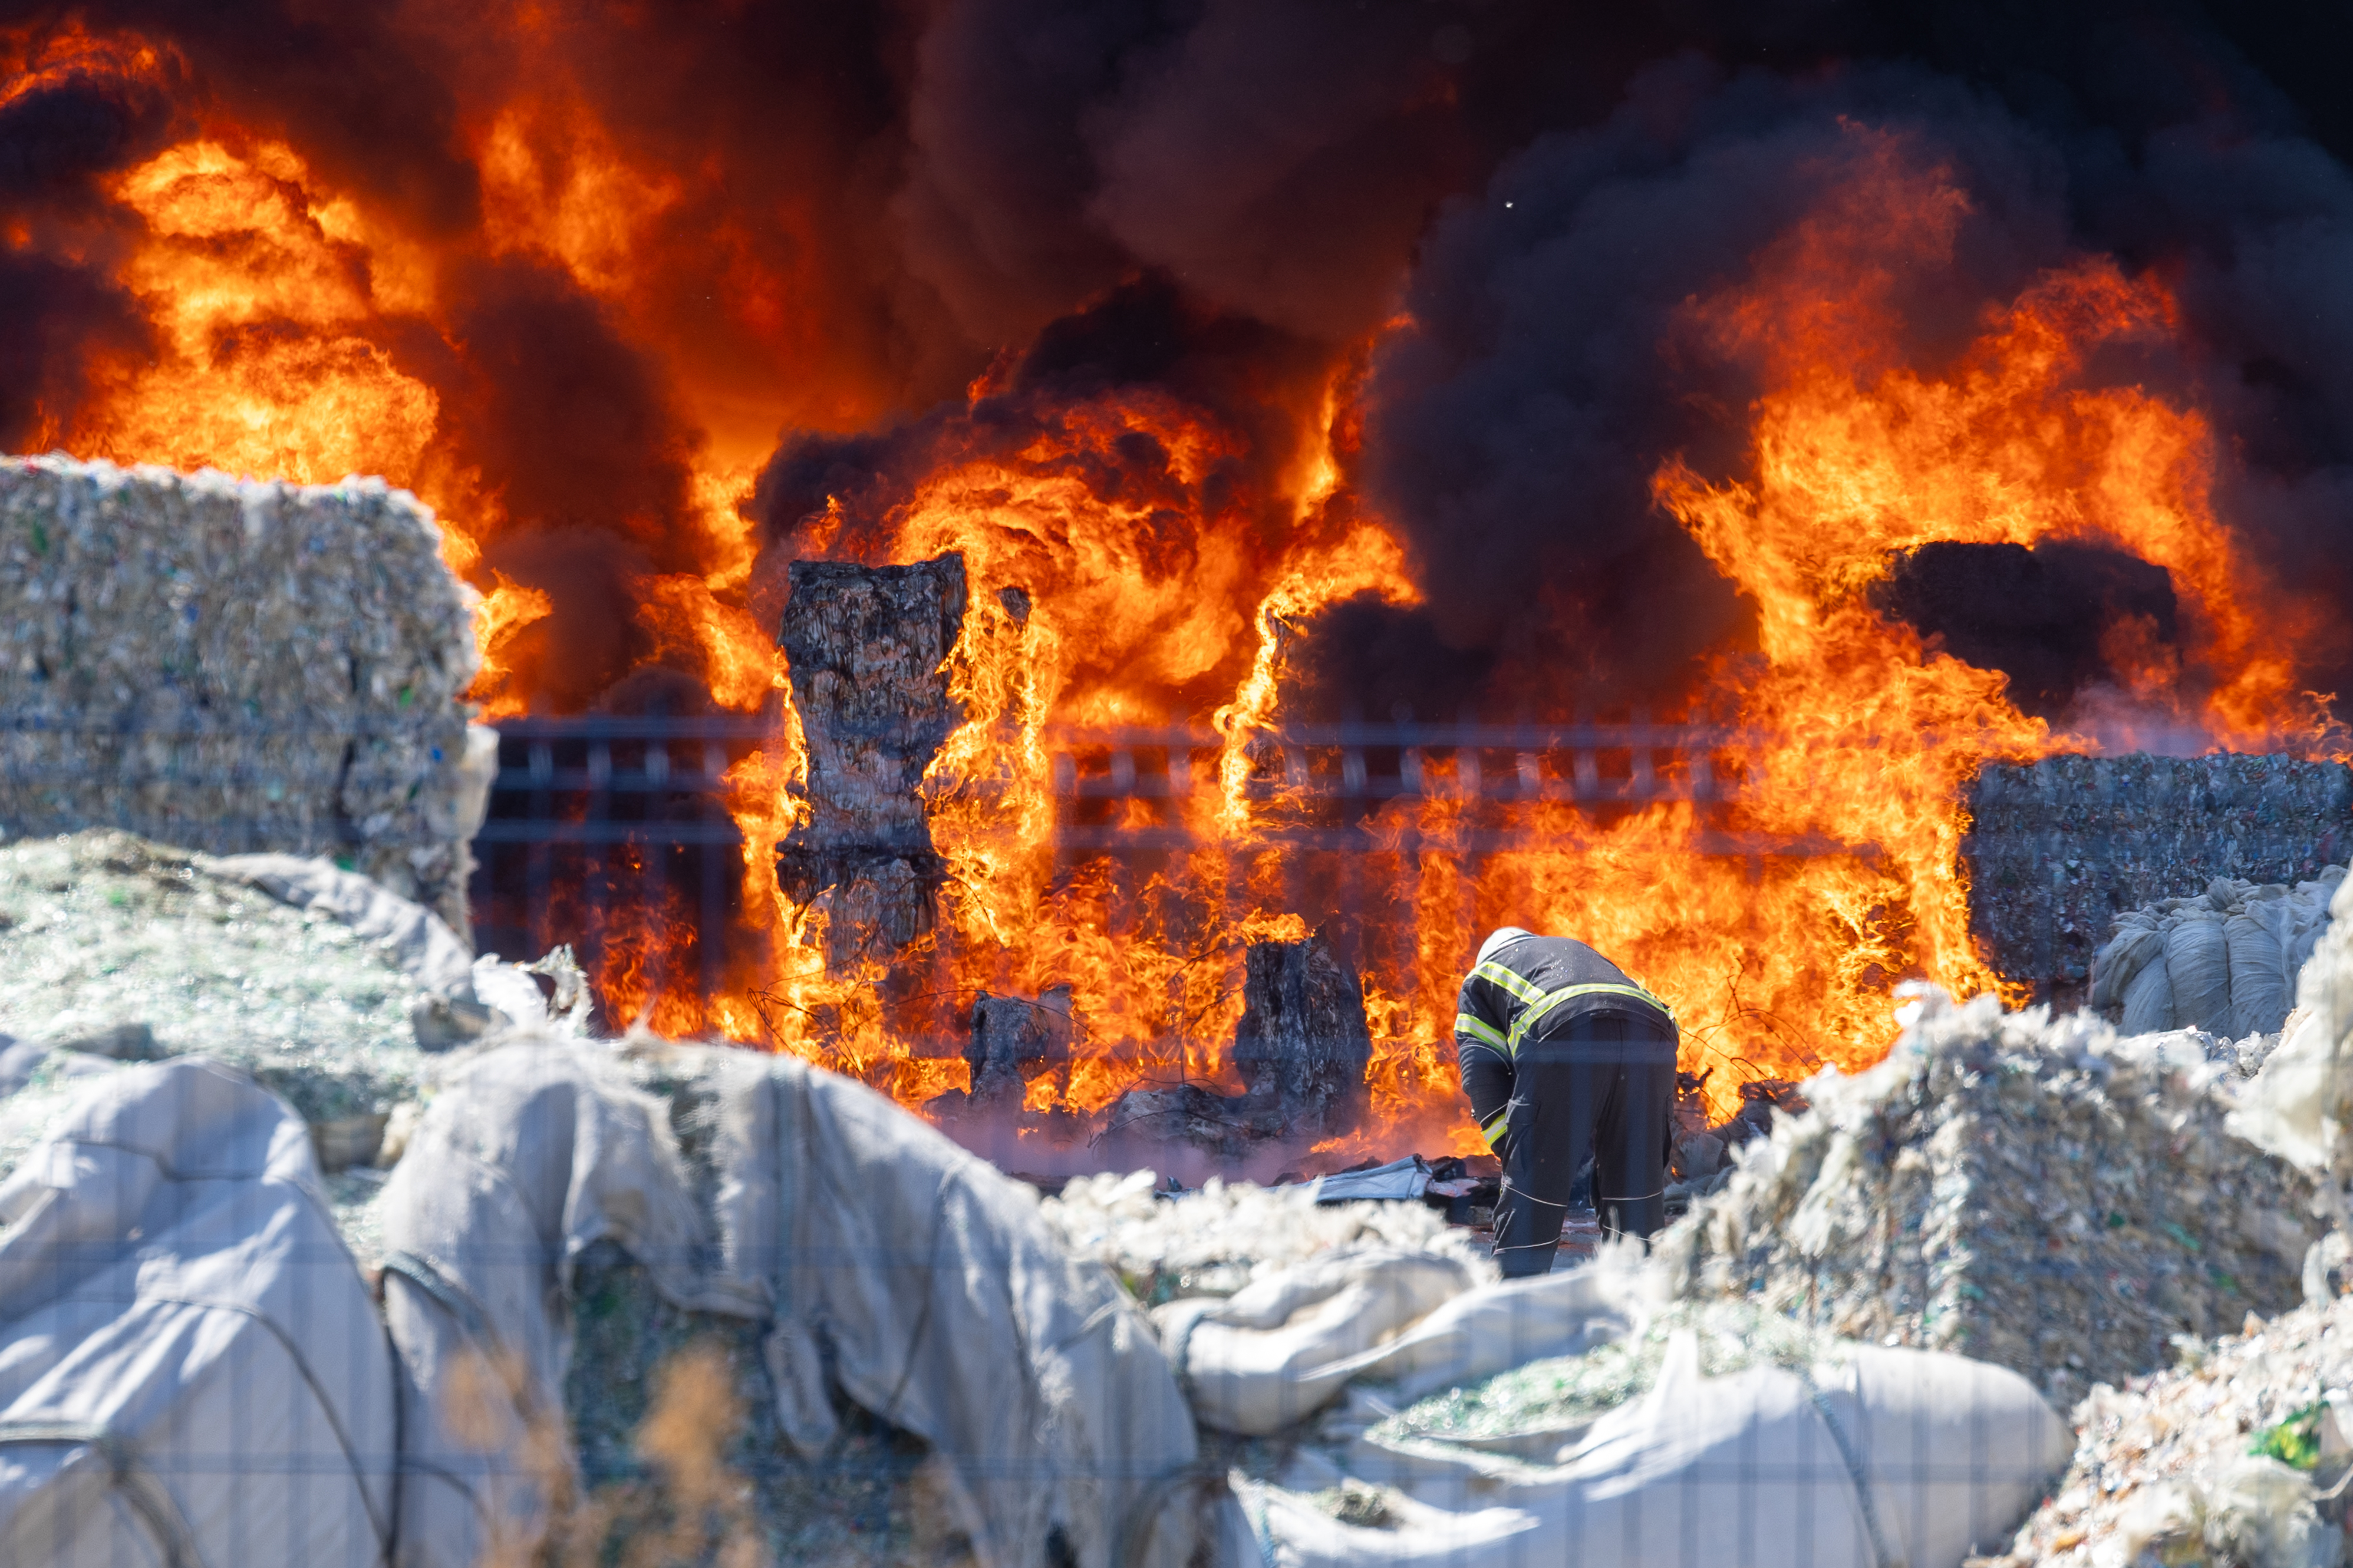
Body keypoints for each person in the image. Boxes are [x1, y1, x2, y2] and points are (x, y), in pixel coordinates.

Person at [1454, 926, 1678, 1276]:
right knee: (1635, 1200)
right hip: (1653, 1036)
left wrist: (1518, 1154)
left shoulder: (1482, 978)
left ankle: (1515, 1305)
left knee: (1532, 1201)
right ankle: (1640, 1305)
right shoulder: (1575, 951)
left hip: (1566, 1028)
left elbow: (1481, 1076)